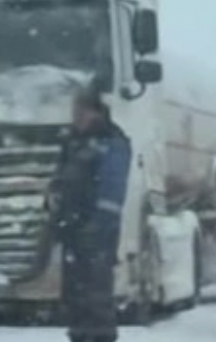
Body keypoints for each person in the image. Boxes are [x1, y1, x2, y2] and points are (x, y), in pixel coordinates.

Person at [47, 89, 132, 342]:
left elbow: (112, 187)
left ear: (95, 112)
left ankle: (99, 337)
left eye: (80, 112)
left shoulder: (110, 141)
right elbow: (61, 177)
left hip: (96, 233)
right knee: (74, 296)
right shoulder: (73, 141)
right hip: (72, 229)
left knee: (96, 295)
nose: (75, 117)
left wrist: (98, 225)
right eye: (74, 112)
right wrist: (53, 197)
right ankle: (80, 336)